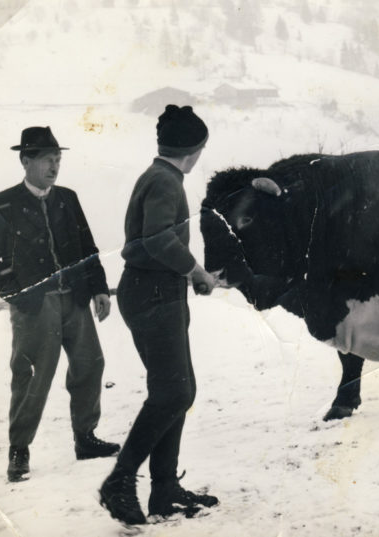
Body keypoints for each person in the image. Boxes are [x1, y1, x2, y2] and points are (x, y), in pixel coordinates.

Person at [0, 126, 120, 483]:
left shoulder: (68, 199)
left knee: (90, 365)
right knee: (32, 378)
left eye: (58, 159)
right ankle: (19, 450)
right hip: (36, 308)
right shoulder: (3, 203)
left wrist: (99, 289)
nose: (55, 166)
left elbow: (88, 248)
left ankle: (85, 438)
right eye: (46, 160)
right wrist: (18, 296)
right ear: (25, 161)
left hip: (75, 299)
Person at [99, 105, 219, 525]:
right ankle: (120, 481)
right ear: (195, 149)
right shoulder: (166, 180)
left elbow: (157, 242)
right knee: (174, 393)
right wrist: (197, 269)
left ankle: (164, 489)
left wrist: (190, 275)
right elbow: (156, 239)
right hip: (153, 294)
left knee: (176, 391)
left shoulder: (159, 176)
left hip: (156, 291)